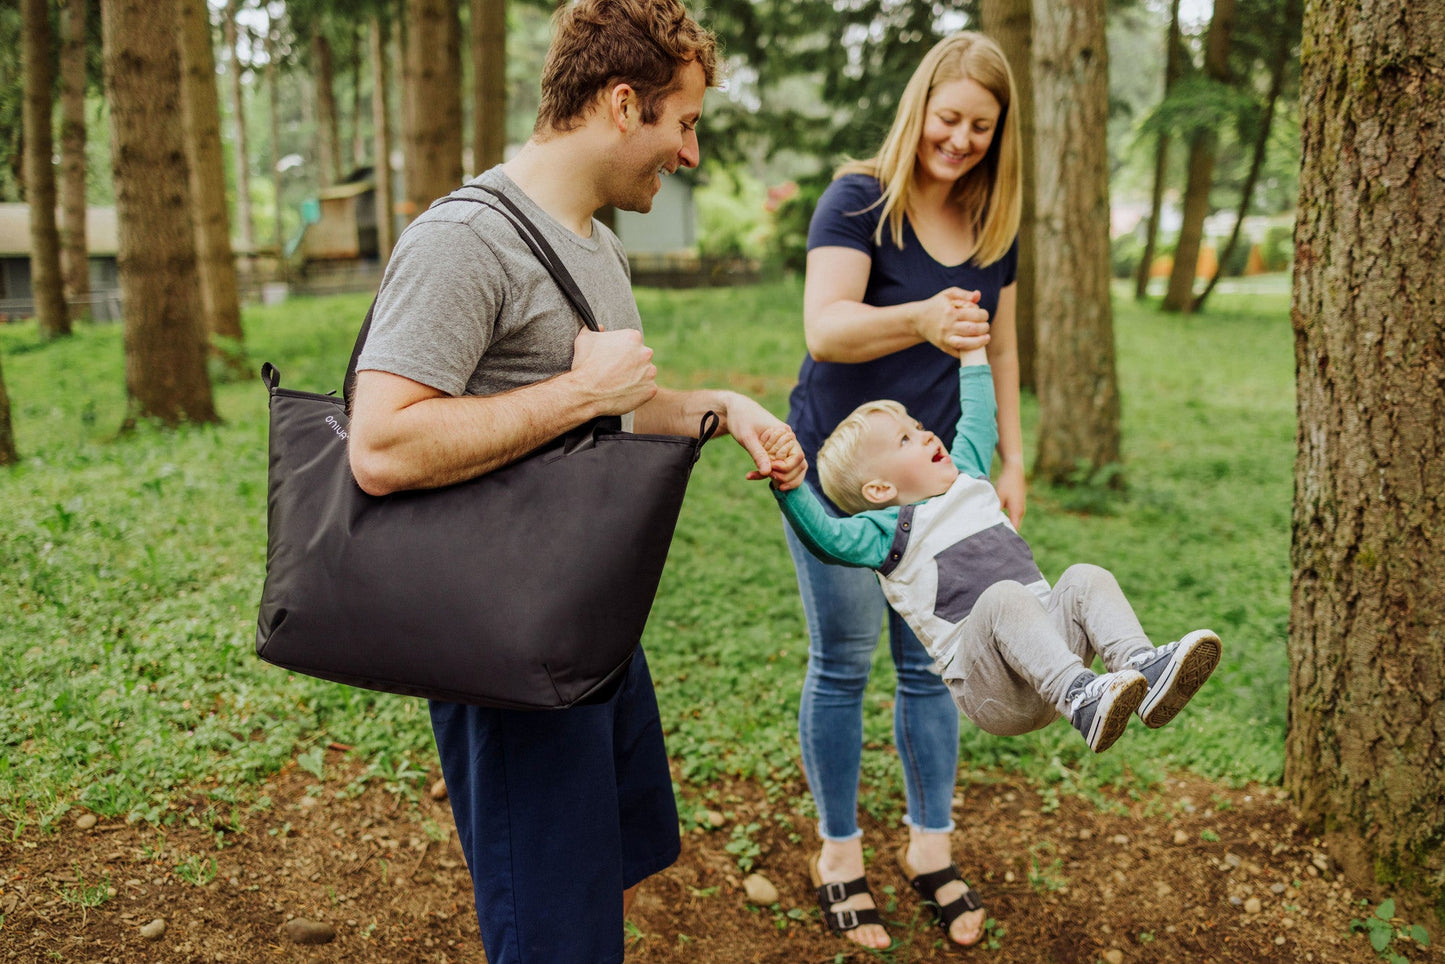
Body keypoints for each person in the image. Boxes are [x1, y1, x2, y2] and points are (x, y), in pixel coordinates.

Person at [346, 1, 805, 961]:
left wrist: (721, 406)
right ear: (623, 103)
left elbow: (613, 406)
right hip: (505, 650)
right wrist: (574, 392)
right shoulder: (463, 239)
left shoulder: (591, 240)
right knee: (550, 931)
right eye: (683, 123)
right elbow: (380, 446)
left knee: (597, 884)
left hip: (582, 623)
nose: (688, 153)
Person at [782, 31, 1024, 948]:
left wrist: (1010, 460)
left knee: (931, 664)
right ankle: (838, 854)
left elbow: (999, 344)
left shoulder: (990, 221)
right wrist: (921, 317)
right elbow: (826, 327)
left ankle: (930, 848)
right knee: (843, 663)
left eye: (980, 128)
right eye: (948, 118)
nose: (959, 140)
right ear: (919, 106)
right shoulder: (860, 200)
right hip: (843, 477)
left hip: (942, 484)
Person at [764, 347, 1222, 758]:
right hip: (994, 690)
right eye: (904, 440)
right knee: (1004, 596)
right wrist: (790, 485)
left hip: (1050, 660)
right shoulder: (886, 532)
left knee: (1084, 576)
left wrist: (972, 351)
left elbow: (978, 416)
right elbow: (827, 537)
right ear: (880, 488)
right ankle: (1082, 696)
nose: (924, 435)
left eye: (918, 427)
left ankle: (1142, 668)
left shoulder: (969, 477)